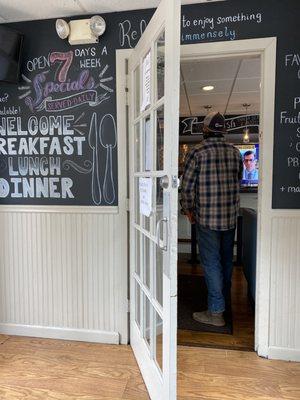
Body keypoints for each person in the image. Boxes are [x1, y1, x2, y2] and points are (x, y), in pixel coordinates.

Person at [181, 112, 243, 327]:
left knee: (211, 263)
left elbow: (186, 186)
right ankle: (222, 303)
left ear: (204, 130)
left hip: (206, 218)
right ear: (223, 130)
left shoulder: (197, 152)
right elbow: (239, 182)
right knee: (226, 261)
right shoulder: (235, 153)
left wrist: (187, 209)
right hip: (229, 216)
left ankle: (216, 311)